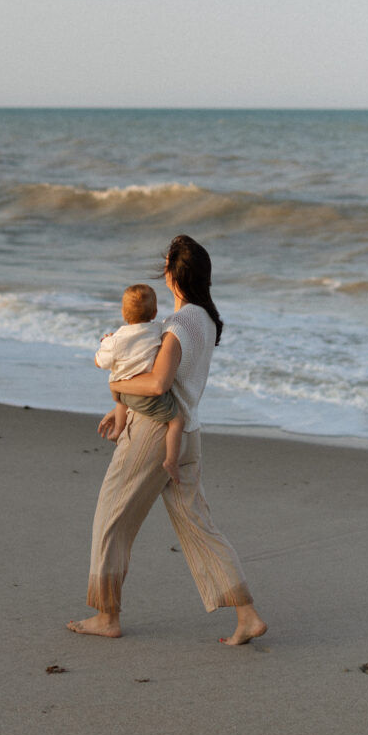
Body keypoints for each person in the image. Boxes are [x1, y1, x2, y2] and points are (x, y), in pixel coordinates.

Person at [67, 234, 268, 645]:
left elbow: (157, 383)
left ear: (173, 275)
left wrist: (118, 384)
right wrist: (121, 402)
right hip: (187, 433)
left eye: (165, 266)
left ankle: (107, 616)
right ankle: (247, 616)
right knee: (199, 526)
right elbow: (174, 382)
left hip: (154, 433)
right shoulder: (206, 320)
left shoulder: (177, 325)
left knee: (111, 516)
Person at [94, 282, 185, 483]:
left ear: (124, 313)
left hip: (122, 392)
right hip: (146, 393)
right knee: (177, 421)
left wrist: (105, 343)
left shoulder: (115, 340)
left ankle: (118, 430)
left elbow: (101, 362)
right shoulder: (158, 330)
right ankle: (171, 460)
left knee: (121, 400)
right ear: (154, 312)